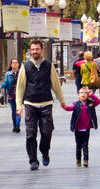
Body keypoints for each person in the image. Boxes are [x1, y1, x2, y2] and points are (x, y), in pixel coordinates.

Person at [15, 39, 68, 171]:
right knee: (30, 134)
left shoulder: (48, 65)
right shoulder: (25, 66)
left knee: (47, 132)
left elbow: (55, 84)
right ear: (30, 51)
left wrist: (61, 100)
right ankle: (33, 160)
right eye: (32, 49)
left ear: (41, 50)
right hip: (30, 104)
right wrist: (18, 106)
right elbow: (20, 87)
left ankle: (44, 151)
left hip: (46, 103)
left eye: (37, 49)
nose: (35, 52)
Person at [62, 87, 100, 167]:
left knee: (85, 145)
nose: (83, 94)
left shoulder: (90, 103)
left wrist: (91, 94)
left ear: (88, 95)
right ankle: (78, 160)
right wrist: (64, 106)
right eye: (81, 93)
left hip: (86, 128)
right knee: (78, 145)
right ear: (78, 95)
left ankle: (85, 160)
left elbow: (98, 101)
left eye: (85, 93)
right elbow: (69, 108)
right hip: (77, 128)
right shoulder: (76, 104)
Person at [0, 59, 21, 133]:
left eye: (16, 62)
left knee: (18, 110)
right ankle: (14, 125)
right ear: (11, 65)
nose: (15, 64)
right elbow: (5, 82)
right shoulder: (8, 74)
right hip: (11, 95)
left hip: (19, 95)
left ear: (18, 64)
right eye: (13, 63)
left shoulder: (21, 73)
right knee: (13, 111)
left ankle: (17, 126)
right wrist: (1, 86)